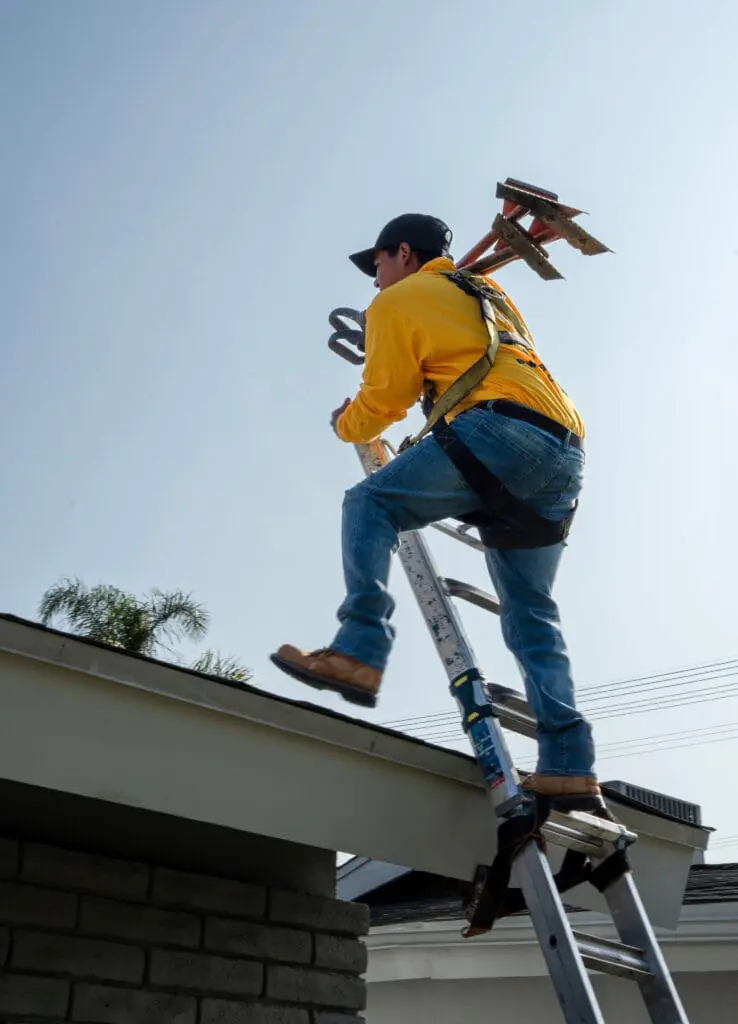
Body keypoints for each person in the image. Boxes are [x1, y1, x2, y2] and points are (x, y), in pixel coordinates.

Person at [272, 213, 598, 798]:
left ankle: (359, 650)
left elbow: (384, 402)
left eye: (376, 265)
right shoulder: (487, 291)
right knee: (531, 616)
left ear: (402, 253)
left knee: (369, 504)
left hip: (499, 432)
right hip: (563, 449)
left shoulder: (397, 305)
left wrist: (346, 424)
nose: (374, 281)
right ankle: (569, 761)